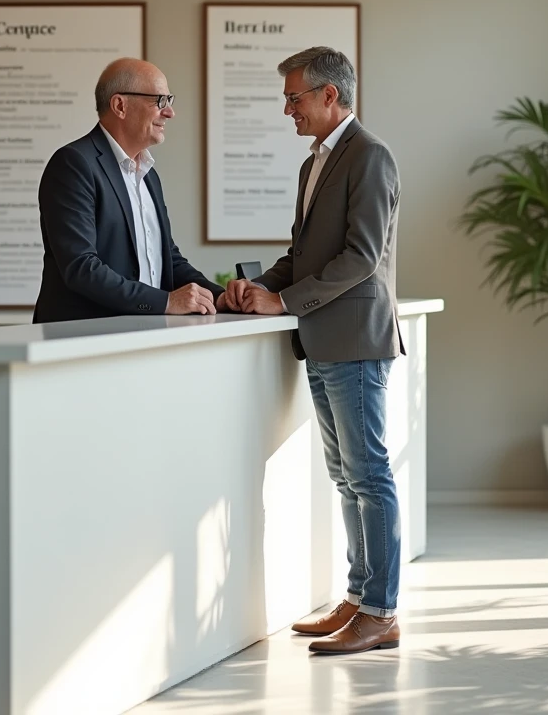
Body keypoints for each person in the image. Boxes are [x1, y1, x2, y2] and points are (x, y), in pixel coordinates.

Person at [221, 46, 404, 655]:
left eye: (294, 97)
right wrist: (258, 288)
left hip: (355, 339)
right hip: (324, 340)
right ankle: (358, 598)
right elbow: (303, 256)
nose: (287, 110)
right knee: (347, 477)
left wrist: (284, 301)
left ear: (330, 95)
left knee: (369, 475)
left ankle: (381, 612)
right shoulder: (314, 165)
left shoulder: (370, 156)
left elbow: (362, 257)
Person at [33, 58, 222, 323]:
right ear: (120, 105)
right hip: (84, 337)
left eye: (169, 101)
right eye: (160, 101)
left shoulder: (149, 175)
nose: (169, 112)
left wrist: (219, 297)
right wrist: (166, 302)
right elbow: (81, 267)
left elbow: (169, 259)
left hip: (143, 334)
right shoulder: (74, 164)